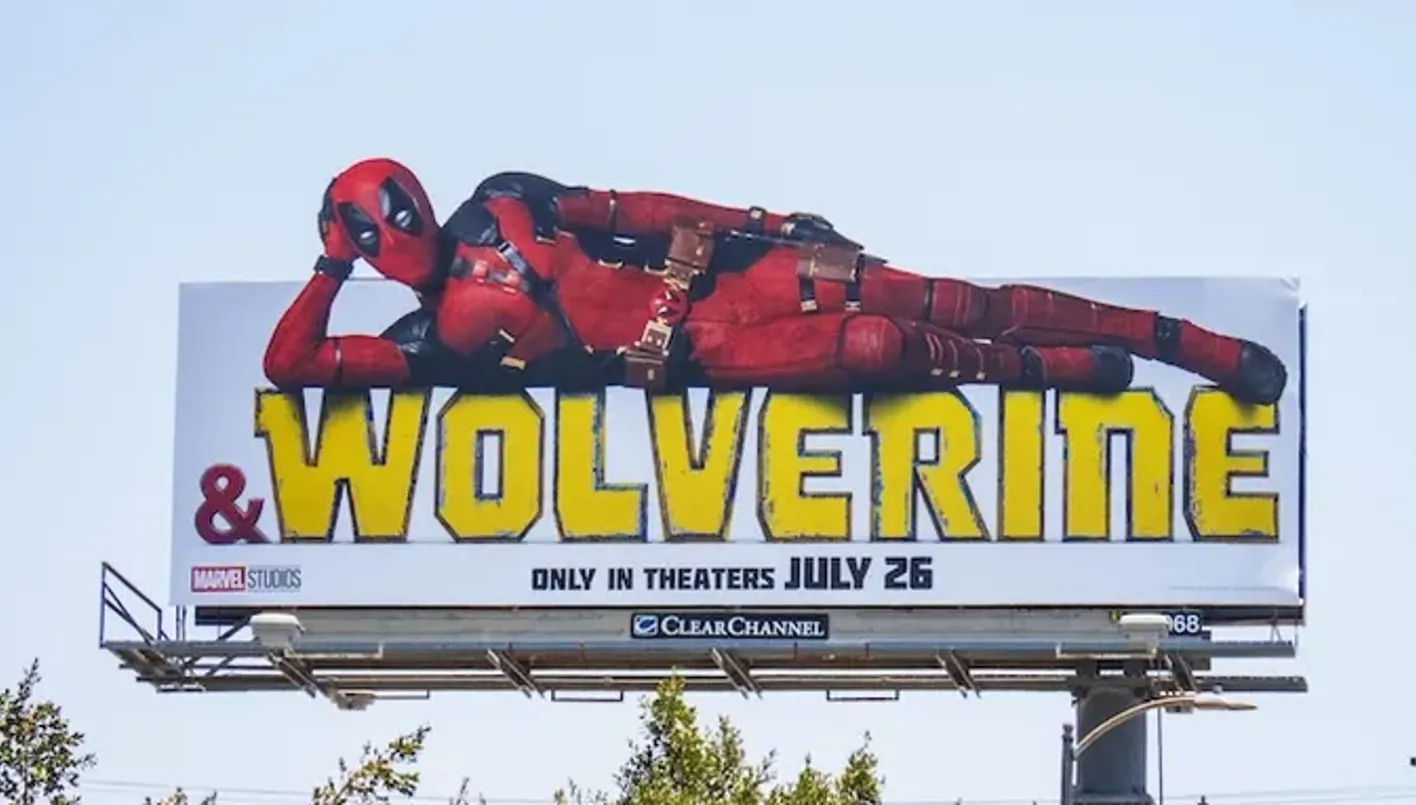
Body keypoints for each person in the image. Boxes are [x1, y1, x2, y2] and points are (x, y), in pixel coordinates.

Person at [263, 158, 1286, 404]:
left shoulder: (505, 197)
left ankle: (1174, 339)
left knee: (951, 299)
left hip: (723, 274)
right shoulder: (425, 342)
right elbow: (291, 363)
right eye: (370, 228)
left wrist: (758, 222)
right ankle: (1065, 368)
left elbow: (636, 210)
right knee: (880, 345)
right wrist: (326, 268)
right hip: (701, 348)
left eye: (391, 209)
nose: (395, 229)